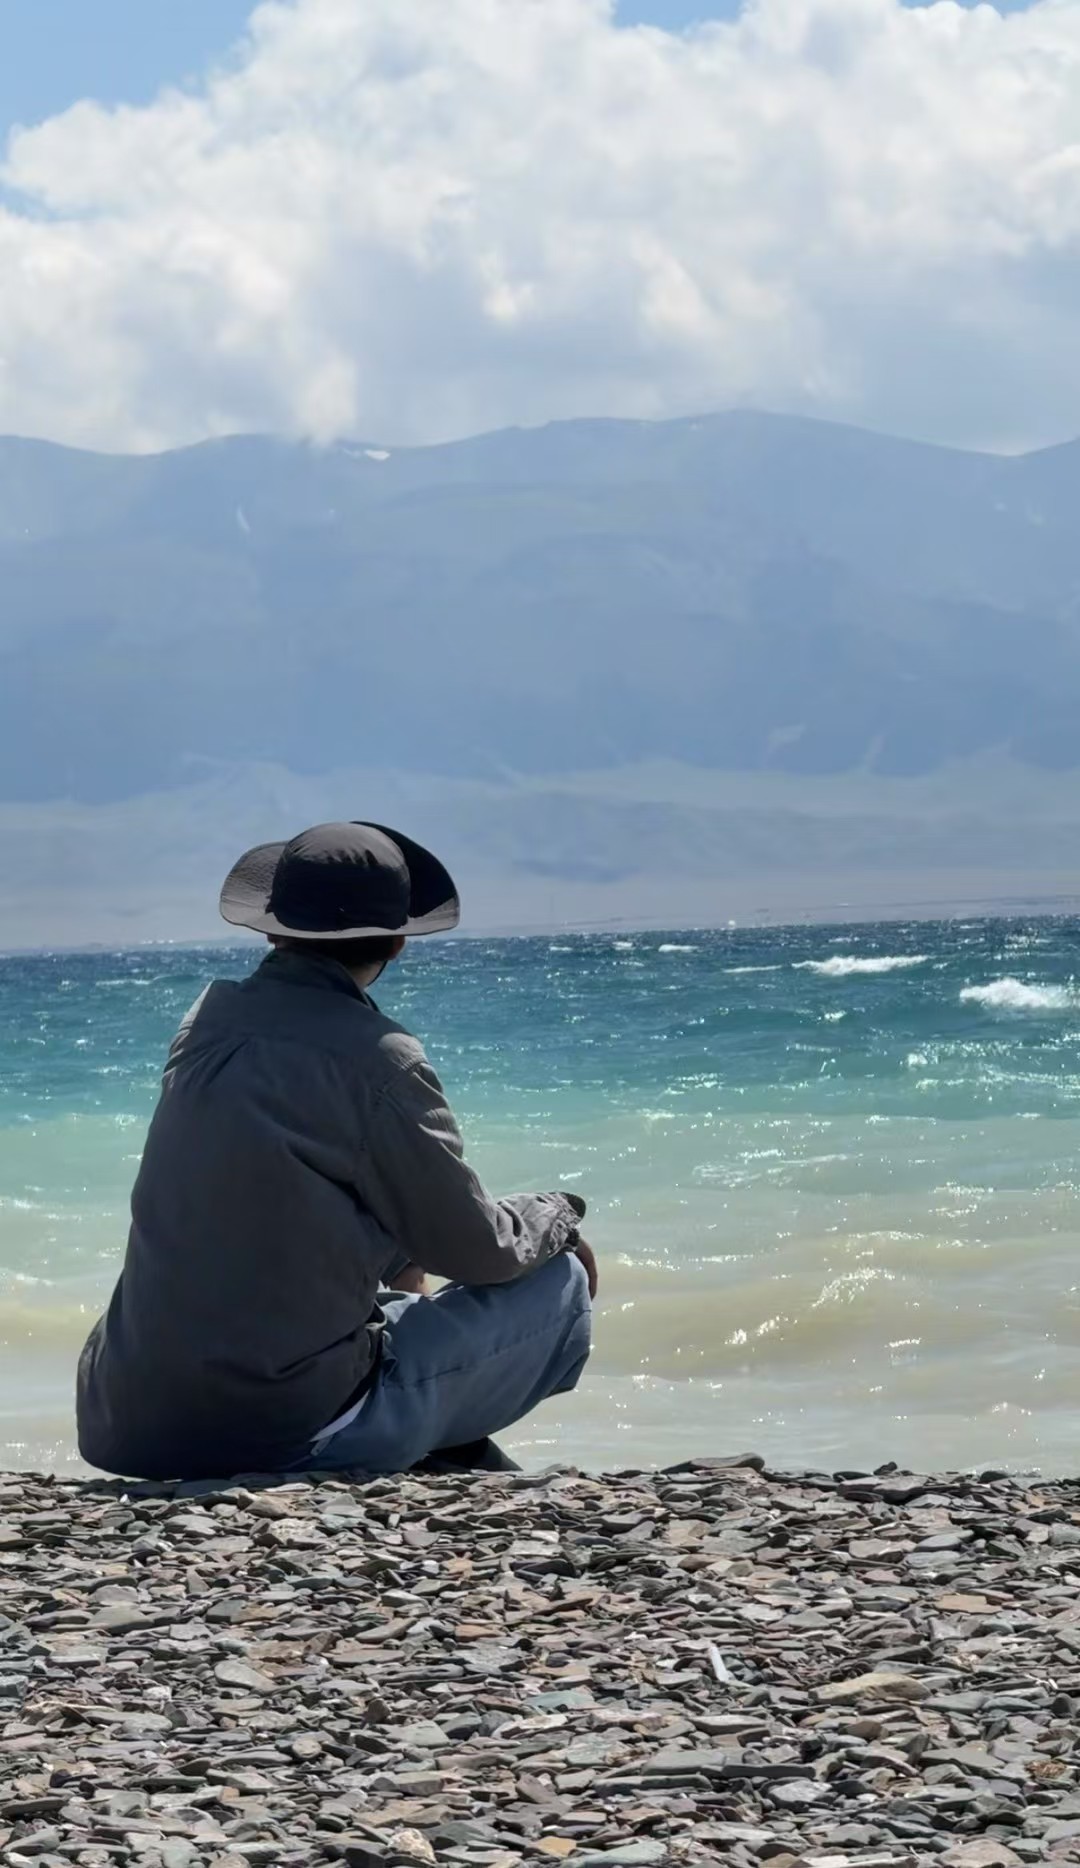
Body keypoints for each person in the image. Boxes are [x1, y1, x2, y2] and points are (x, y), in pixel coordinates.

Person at [76, 822, 595, 1481]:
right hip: (277, 1431)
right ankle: (395, 1438)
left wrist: (401, 1251)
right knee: (560, 1280)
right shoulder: (381, 1059)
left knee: (391, 1300)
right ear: (399, 942)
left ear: (272, 930)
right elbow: (479, 1251)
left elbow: (284, 1195)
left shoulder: (205, 1025)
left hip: (126, 1420)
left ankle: (448, 1456)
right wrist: (558, 1215)